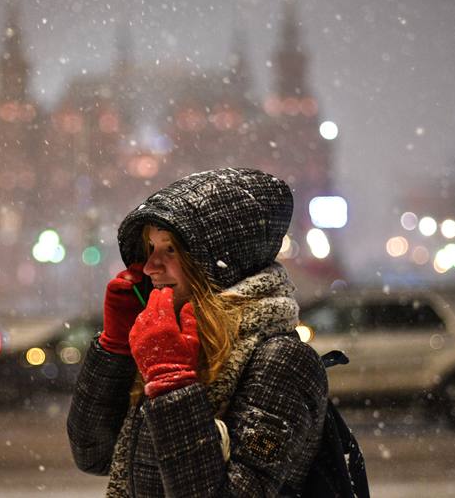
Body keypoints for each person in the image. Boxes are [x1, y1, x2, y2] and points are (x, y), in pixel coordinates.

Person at [67, 168, 328, 497]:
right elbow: (93, 453)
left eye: (170, 250)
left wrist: (173, 384)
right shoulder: (169, 340)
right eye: (149, 248)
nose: (150, 267)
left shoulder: (283, 362)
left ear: (220, 261)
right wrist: (115, 346)